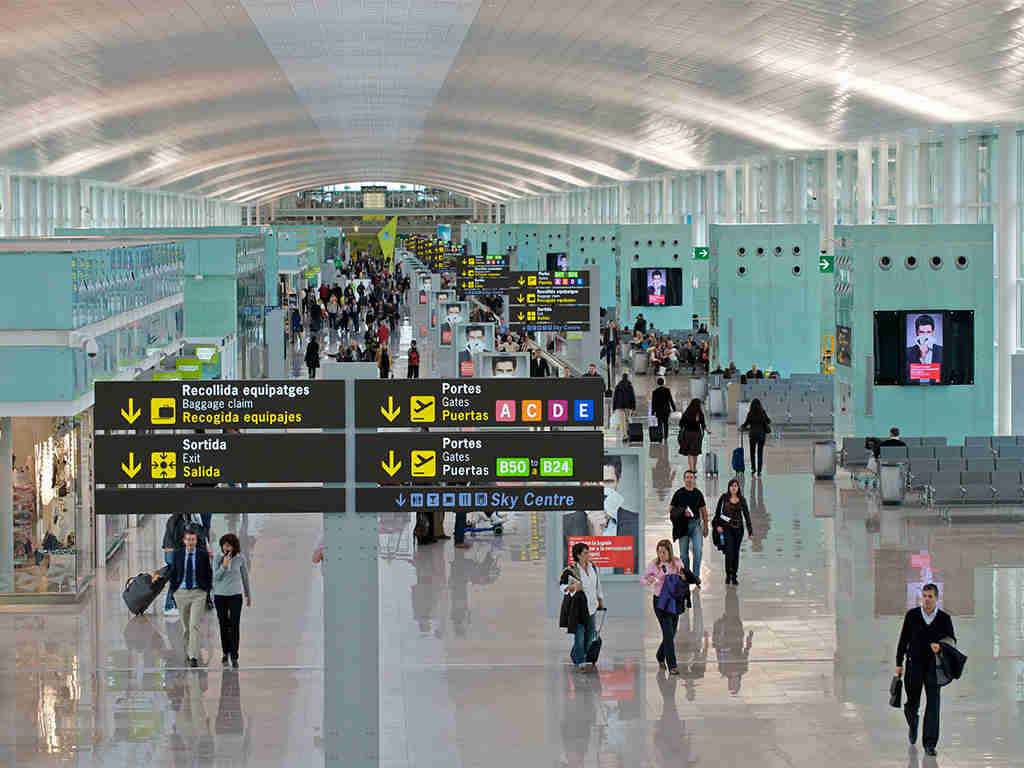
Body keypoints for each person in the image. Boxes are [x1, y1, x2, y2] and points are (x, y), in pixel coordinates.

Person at [897, 584, 956, 757]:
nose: (927, 599)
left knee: (933, 704)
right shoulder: (912, 616)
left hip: (933, 667)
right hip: (914, 665)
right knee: (911, 703)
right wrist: (898, 663)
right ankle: (913, 721)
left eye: (930, 596)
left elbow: (952, 640)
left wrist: (941, 647)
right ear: (921, 597)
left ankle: (930, 744)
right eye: (924, 596)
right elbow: (903, 640)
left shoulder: (944, 619)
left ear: (937, 598)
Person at [167, 525, 213, 667]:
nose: (191, 542)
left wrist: (206, 591)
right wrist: (173, 592)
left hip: (198, 593)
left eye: (193, 539)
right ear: (184, 541)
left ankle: (193, 656)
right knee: (186, 627)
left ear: (196, 540)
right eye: (188, 539)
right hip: (181, 593)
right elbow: (173, 572)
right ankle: (189, 650)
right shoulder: (178, 554)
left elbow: (208, 573)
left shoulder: (203, 555)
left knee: (194, 625)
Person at [643, 539, 687, 674]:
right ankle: (672, 666)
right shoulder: (654, 564)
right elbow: (643, 579)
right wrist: (649, 580)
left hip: (674, 602)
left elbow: (685, 577)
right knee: (668, 633)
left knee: (671, 634)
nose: (661, 555)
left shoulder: (677, 562)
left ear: (669, 551)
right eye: (659, 552)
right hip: (660, 603)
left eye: (663, 552)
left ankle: (660, 655)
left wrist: (683, 577)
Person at [558, 542, 604, 671]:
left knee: (590, 635)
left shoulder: (593, 567)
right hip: (578, 608)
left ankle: (575, 654)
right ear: (578, 555)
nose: (588, 555)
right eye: (585, 553)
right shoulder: (571, 570)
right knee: (579, 635)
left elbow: (597, 584)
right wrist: (572, 587)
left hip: (592, 606)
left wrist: (600, 598)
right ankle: (580, 661)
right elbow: (562, 586)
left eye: (588, 552)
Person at [212, 533, 251, 669]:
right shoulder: (217, 558)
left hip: (235, 596)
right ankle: (225, 652)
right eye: (224, 545)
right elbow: (215, 578)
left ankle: (234, 655)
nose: (226, 548)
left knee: (234, 625)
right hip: (220, 596)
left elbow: (245, 577)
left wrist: (248, 595)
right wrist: (224, 565)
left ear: (234, 547)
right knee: (224, 624)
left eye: (229, 545)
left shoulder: (240, 558)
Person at [162, 512, 207, 617]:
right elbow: (197, 534)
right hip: (174, 553)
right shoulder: (185, 522)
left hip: (168, 552)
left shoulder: (172, 519)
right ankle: (169, 605)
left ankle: (175, 603)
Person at [669, 470, 708, 586]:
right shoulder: (678, 493)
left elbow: (704, 512)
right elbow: (671, 509)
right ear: (684, 479)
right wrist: (682, 511)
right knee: (683, 554)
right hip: (682, 526)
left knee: (698, 550)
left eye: (691, 477)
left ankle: (695, 576)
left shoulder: (698, 494)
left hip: (696, 525)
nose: (689, 479)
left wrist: (706, 526)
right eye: (687, 477)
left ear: (694, 479)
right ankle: (686, 575)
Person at [712, 478, 753, 586]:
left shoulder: (742, 500)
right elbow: (717, 513)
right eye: (732, 486)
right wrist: (718, 525)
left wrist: (750, 531)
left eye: (735, 486)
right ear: (729, 487)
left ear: (738, 488)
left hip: (739, 530)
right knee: (729, 551)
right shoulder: (724, 498)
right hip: (727, 529)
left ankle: (734, 575)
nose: (733, 488)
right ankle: (728, 574)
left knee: (735, 552)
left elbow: (747, 515)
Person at [740, 398, 771, 476]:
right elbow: (768, 421)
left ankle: (753, 469)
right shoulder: (762, 412)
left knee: (752, 453)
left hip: (753, 435)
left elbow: (746, 423)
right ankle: (759, 471)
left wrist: (742, 426)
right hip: (761, 435)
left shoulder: (750, 413)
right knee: (760, 453)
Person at [906, 314, 943, 380]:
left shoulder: (943, 351)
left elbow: (943, 376)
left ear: (932, 333)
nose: (925, 336)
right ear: (916, 333)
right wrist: (922, 357)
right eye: (922, 332)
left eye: (928, 332)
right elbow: (908, 378)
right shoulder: (907, 353)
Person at [677, 398, 707, 474]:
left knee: (690, 453)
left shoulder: (686, 412)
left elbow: (681, 424)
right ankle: (694, 468)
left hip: (687, 434)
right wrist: (707, 430)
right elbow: (703, 424)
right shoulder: (699, 413)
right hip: (697, 434)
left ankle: (692, 469)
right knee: (695, 452)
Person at [650, 377, 676, 445]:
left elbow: (653, 403)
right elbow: (670, 400)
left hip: (659, 411)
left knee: (659, 423)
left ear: (657, 383)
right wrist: (674, 408)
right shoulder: (667, 390)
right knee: (666, 423)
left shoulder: (655, 392)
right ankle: (666, 436)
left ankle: (660, 435)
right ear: (663, 382)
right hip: (666, 410)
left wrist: (653, 411)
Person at [611, 373, 636, 438]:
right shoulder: (630, 386)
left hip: (620, 406)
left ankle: (624, 435)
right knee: (627, 419)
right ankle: (627, 431)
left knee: (622, 421)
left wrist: (613, 408)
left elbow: (615, 398)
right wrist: (634, 408)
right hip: (628, 406)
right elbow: (632, 397)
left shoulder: (618, 386)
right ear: (627, 378)